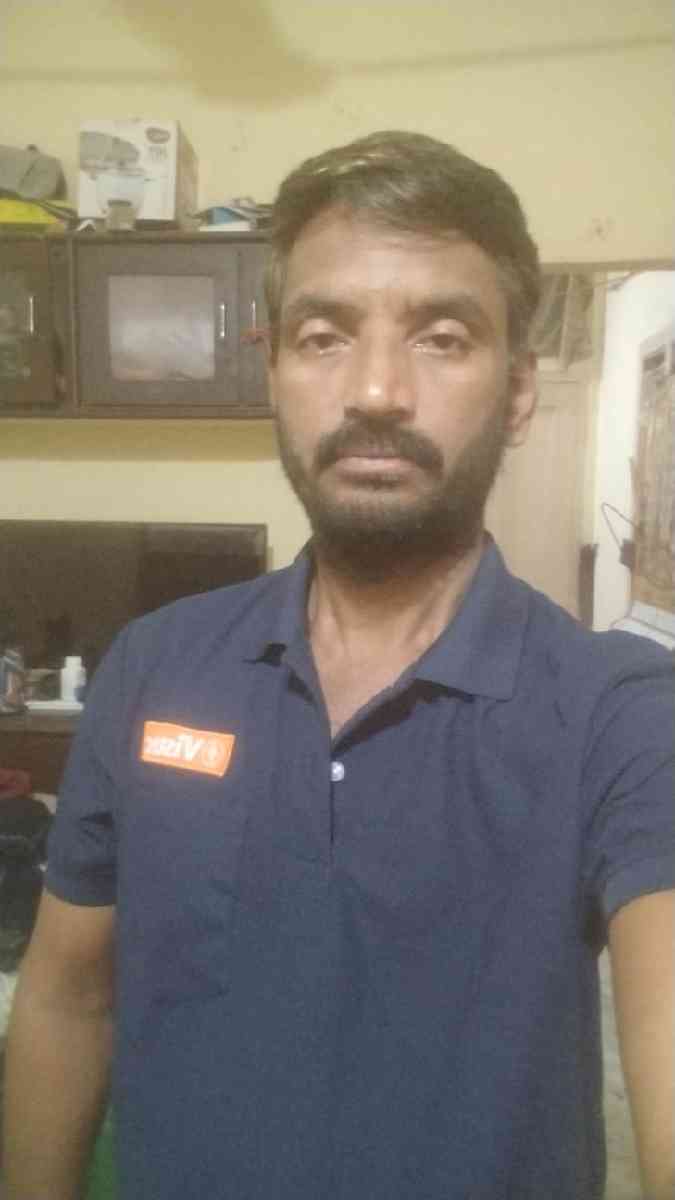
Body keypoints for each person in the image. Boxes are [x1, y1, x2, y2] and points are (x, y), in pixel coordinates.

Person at [4, 131, 674, 1200]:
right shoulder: (154, 667)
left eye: (442, 338)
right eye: (323, 336)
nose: (373, 390)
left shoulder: (620, 714)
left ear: (517, 393)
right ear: (272, 369)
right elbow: (66, 998)